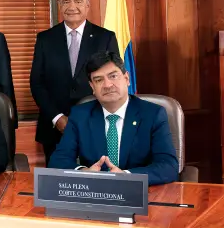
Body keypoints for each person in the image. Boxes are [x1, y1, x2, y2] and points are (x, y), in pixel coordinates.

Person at [48, 51, 178, 185]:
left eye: (113, 76)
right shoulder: (80, 115)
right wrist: (84, 172)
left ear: (127, 79)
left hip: (140, 193)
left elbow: (168, 166)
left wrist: (127, 176)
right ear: (92, 87)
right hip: (95, 193)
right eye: (99, 80)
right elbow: (58, 160)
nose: (107, 85)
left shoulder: (153, 114)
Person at [30, 0, 119, 164]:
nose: (72, 7)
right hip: (54, 128)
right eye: (66, 2)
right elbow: (37, 83)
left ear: (87, 5)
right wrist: (57, 118)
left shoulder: (105, 37)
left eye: (78, 1)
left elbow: (113, 81)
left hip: (96, 124)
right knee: (58, 184)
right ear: (59, 6)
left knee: (95, 182)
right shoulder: (45, 39)